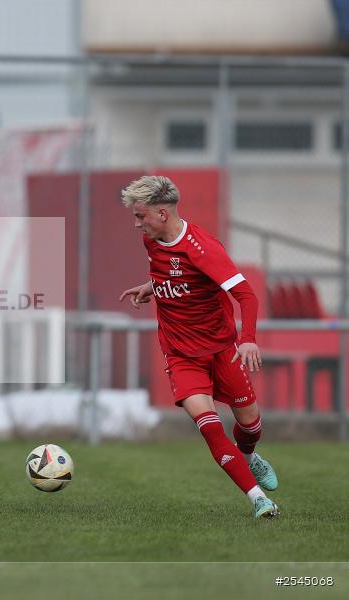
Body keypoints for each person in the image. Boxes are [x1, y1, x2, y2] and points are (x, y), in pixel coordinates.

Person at [118, 175, 279, 519]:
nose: (136, 224)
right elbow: (172, 274)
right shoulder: (153, 239)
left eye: (140, 216)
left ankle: (250, 457)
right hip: (181, 355)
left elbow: (246, 295)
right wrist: (152, 286)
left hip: (222, 350)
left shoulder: (202, 248)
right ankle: (258, 500)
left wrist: (248, 338)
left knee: (251, 426)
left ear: (162, 214)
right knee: (208, 426)